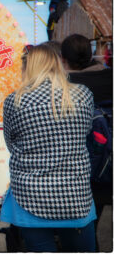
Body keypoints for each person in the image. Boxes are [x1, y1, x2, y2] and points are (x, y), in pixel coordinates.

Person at [0, 44, 96, 251]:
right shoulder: (83, 95)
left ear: (29, 67)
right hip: (75, 195)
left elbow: (11, 143)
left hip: (30, 196)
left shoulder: (15, 101)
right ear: (57, 63)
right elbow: (86, 132)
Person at [61, 34, 113, 250]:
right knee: (95, 212)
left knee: (76, 223)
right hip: (106, 157)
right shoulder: (109, 76)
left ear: (63, 58)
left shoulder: (66, 84)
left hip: (75, 160)